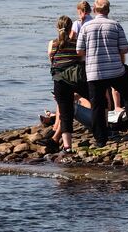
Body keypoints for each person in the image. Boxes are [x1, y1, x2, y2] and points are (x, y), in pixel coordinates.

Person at [75, 0, 128, 147]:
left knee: (98, 104)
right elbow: (124, 49)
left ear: (94, 10)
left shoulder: (86, 27)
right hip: (115, 70)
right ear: (108, 10)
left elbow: (79, 51)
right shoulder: (115, 25)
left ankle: (100, 138)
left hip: (95, 72)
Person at [48, 15, 88, 152]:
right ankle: (102, 128)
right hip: (76, 79)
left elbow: (52, 61)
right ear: (72, 28)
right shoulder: (76, 43)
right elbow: (82, 58)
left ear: (57, 28)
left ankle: (67, 147)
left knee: (65, 113)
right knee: (97, 100)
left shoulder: (52, 44)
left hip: (59, 81)